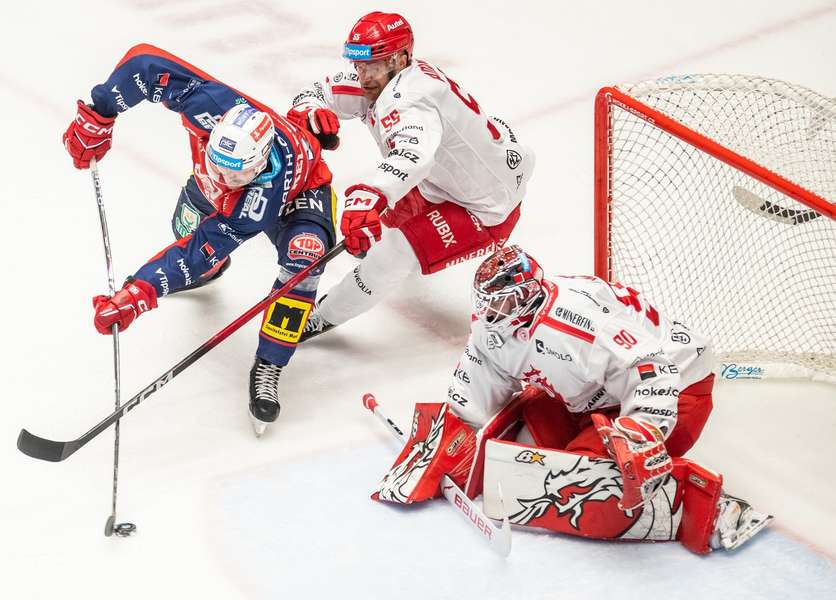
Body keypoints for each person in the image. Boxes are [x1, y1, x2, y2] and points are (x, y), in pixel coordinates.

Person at [372, 245, 772, 553]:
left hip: (678, 388)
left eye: (502, 302)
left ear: (527, 296)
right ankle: (602, 445)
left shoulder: (574, 322)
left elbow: (654, 367)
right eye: (487, 302)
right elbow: (484, 370)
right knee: (535, 417)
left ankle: (712, 509)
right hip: (599, 393)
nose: (491, 311)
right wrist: (455, 428)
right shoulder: (493, 322)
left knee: (585, 477)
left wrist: (641, 430)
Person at [62, 44, 337, 435]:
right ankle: (214, 272)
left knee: (304, 259)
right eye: (217, 166)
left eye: (235, 176)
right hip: (218, 197)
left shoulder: (255, 201)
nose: (224, 179)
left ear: (258, 169)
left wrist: (140, 291)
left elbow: (196, 252)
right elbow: (144, 65)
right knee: (185, 227)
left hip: (300, 196)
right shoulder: (209, 104)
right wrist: (101, 112)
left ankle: (270, 364)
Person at [286, 11, 534, 341]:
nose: (363, 77)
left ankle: (321, 317)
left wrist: (369, 196)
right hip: (450, 177)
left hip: (486, 206)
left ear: (401, 58)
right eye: (359, 65)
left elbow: (413, 156)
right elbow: (320, 91)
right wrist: (310, 111)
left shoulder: (408, 100)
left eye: (372, 65)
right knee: (378, 228)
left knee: (392, 255)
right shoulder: (383, 78)